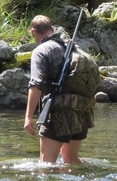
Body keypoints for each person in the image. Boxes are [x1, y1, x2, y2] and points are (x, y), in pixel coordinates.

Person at [23, 14, 94, 165]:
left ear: (34, 32)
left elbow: (36, 85)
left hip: (58, 113)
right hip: (81, 110)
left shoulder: (41, 51)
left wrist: (28, 116)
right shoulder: (73, 48)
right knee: (70, 159)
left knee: (47, 164)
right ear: (52, 29)